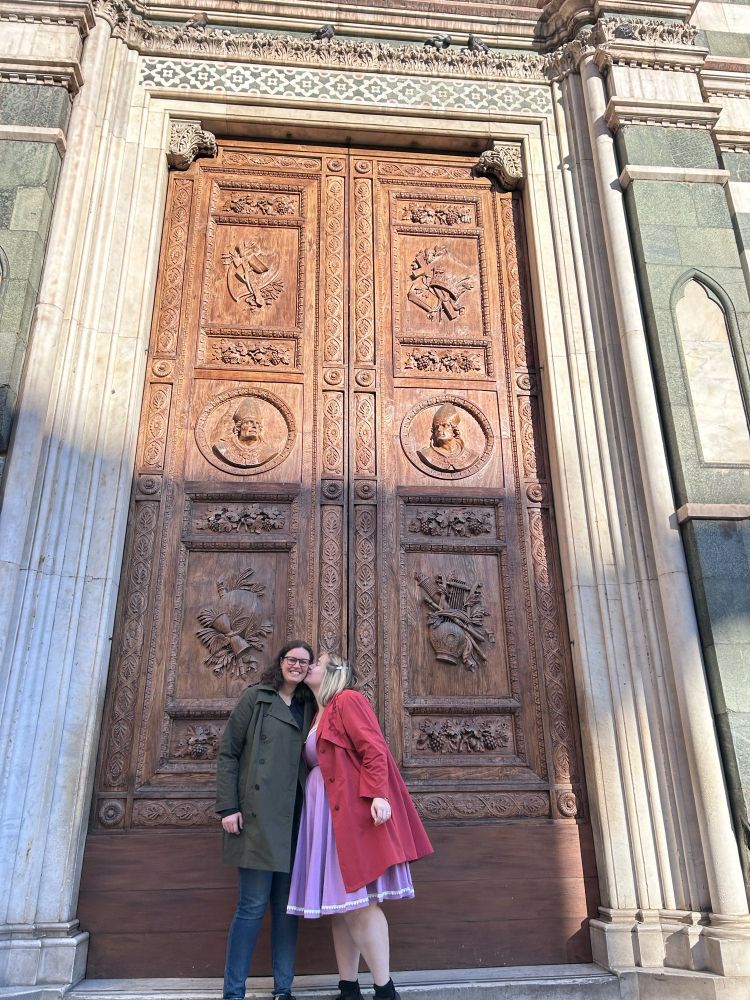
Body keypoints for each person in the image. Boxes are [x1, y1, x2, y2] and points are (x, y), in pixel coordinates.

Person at [287, 653, 433, 1000]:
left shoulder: (347, 700)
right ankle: (348, 988)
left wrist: (379, 795)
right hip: (324, 814)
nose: (311, 667)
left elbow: (374, 749)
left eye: (318, 663)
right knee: (340, 908)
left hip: (350, 815)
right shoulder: (317, 712)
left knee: (358, 903)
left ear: (334, 674)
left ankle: (385, 991)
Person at [215, 640, 315, 1000]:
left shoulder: (310, 706)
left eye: (305, 662)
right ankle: (233, 993)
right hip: (255, 820)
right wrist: (228, 807)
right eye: (292, 660)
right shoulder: (255, 698)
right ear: (281, 662)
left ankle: (283, 990)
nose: (298, 666)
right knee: (252, 907)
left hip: (295, 820)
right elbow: (229, 753)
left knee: (287, 911)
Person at [417, 402, 479, 473]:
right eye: (437, 427)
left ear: (454, 430)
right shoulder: (426, 454)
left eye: (445, 425)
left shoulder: (471, 455)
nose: (439, 429)